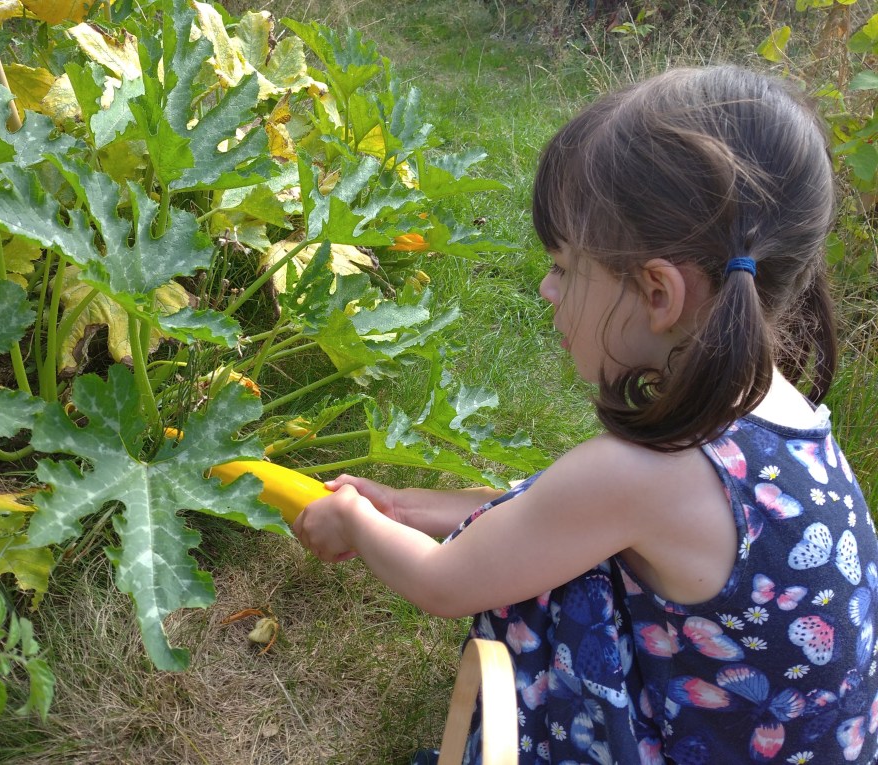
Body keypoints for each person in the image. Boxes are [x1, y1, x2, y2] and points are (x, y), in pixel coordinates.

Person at [292, 65, 878, 764]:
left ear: (659, 292)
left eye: (566, 267)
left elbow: (443, 583)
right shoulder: (784, 414)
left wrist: (355, 522)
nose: (545, 289)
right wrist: (410, 507)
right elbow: (552, 516)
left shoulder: (640, 475)